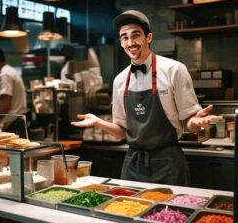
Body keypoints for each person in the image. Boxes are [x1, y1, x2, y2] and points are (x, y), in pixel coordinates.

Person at [71, 10, 219, 186]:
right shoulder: (120, 80)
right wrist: (98, 122)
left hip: (168, 162)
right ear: (120, 42)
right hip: (133, 164)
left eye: (136, 35)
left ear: (148, 37)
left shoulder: (174, 70)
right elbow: (121, 131)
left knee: (172, 213)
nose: (130, 43)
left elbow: (188, 122)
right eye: (124, 37)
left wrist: (196, 123)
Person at [0, 46, 27, 136]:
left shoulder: (5, 75)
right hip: (16, 122)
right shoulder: (9, 71)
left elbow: (5, 106)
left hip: (13, 125)